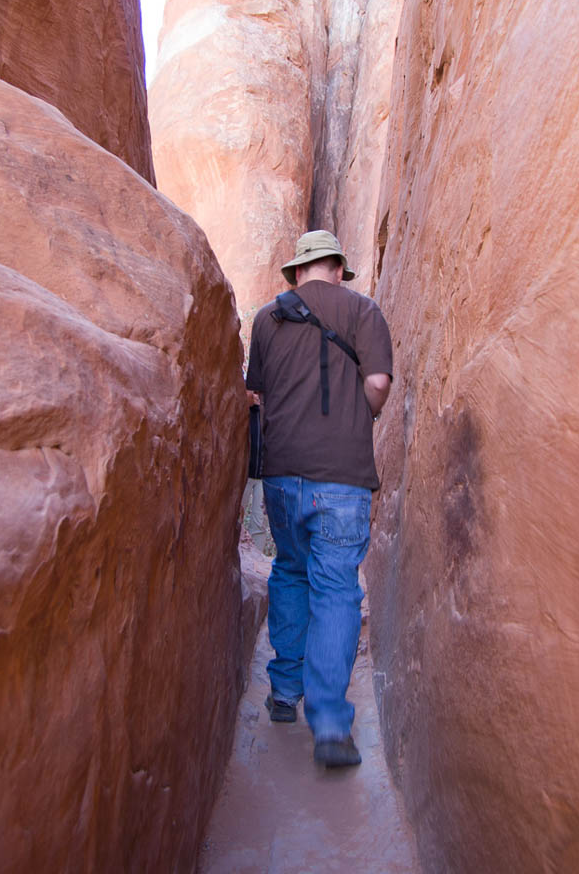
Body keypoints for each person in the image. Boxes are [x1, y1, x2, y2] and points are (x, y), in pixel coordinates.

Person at [246, 230, 392, 768]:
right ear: (336, 268)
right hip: (343, 478)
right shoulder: (364, 311)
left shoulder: (267, 319)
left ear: (299, 271)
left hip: (283, 475)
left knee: (289, 570)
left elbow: (255, 390)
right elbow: (376, 381)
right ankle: (330, 724)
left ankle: (284, 693)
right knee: (335, 590)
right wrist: (364, 408)